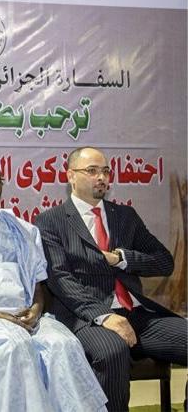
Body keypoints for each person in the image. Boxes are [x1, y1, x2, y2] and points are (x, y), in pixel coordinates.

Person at [0, 154, 107, 411]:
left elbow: (37, 286)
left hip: (24, 319)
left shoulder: (21, 229)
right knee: (13, 346)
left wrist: (36, 310)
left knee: (62, 344)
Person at [35, 146, 187, 411]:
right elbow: (60, 279)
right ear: (70, 176)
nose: (101, 177)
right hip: (88, 318)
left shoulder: (125, 216)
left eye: (105, 171)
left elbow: (164, 262)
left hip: (137, 315)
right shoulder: (51, 221)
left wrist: (121, 258)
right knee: (113, 352)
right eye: (92, 171)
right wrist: (104, 316)